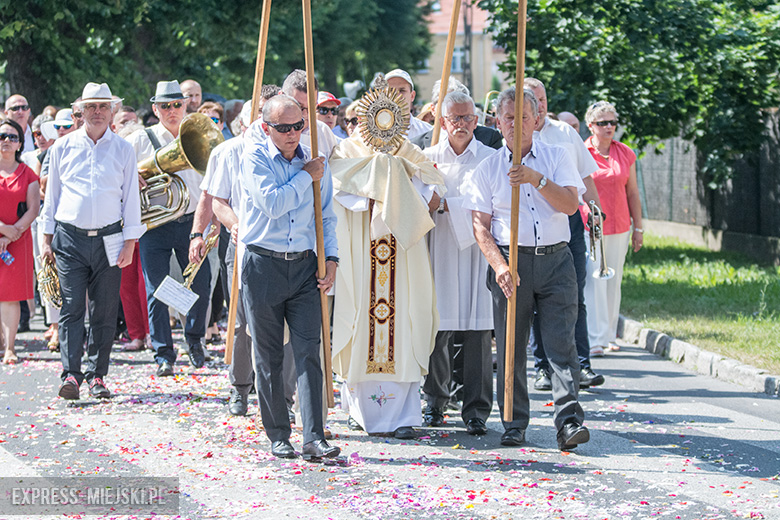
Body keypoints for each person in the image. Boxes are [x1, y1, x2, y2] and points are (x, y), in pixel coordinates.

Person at [464, 87, 590, 451]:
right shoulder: (486, 168)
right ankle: (514, 421)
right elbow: (480, 226)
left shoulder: (557, 156)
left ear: (536, 120)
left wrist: (536, 179)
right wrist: (499, 265)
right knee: (510, 347)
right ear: (497, 122)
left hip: (555, 260)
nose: (515, 124)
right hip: (511, 261)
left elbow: (570, 206)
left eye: (523, 117)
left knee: (560, 345)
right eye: (507, 117)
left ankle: (569, 422)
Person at [330, 85, 445, 440]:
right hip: (362, 252)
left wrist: (399, 177)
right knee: (360, 320)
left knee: (407, 320)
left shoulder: (408, 150)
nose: (383, 126)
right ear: (364, 118)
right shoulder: (347, 149)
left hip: (402, 254)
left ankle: (405, 415)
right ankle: (357, 411)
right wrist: (378, 184)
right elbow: (338, 187)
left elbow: (433, 185)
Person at [240, 94, 340, 460]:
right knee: (268, 355)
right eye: (283, 128)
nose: (292, 134)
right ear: (267, 128)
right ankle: (278, 432)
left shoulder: (312, 160)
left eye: (298, 126)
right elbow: (273, 203)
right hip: (262, 263)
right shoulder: (254, 156)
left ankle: (314, 435)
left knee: (309, 351)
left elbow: (326, 215)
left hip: (302, 264)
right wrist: (305, 177)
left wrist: (331, 258)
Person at [40, 82, 144, 399]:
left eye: (102, 106)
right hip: (69, 238)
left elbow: (131, 201)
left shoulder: (124, 150)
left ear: (112, 109)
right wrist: (45, 241)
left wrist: (129, 242)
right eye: (91, 107)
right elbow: (52, 198)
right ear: (80, 112)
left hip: (110, 238)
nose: (97, 112)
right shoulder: (62, 147)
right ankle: (71, 375)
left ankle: (97, 375)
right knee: (72, 309)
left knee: (105, 310)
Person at [524, 78, 606, 391]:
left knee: (576, 293)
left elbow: (585, 177)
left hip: (569, 221)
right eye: (533, 100)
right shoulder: (518, 136)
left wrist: (595, 213)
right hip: (535, 226)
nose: (540, 106)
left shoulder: (565, 133)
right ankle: (543, 368)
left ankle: (582, 364)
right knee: (536, 301)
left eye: (542, 99)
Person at [127, 80, 212, 376]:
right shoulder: (141, 139)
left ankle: (194, 340)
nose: (172, 110)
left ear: (185, 104)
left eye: (177, 104)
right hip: (155, 225)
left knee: (201, 283)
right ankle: (164, 353)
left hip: (190, 222)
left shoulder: (199, 134)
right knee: (156, 289)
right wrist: (131, 178)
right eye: (165, 106)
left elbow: (211, 186)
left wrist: (204, 228)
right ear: (155, 108)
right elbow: (120, 172)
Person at [421, 92, 495, 435]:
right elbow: (420, 201)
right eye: (454, 119)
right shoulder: (427, 158)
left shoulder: (491, 158)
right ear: (442, 121)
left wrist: (448, 204)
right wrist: (435, 203)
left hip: (480, 251)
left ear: (476, 121)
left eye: (467, 118)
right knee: (440, 327)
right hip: (442, 247)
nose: (461, 125)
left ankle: (476, 408)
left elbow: (492, 203)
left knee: (479, 331)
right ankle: (435, 400)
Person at [583, 100, 644, 356]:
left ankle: (609, 335)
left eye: (612, 122)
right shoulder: (582, 151)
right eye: (602, 123)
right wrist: (587, 215)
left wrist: (638, 228)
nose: (609, 127)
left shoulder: (625, 153)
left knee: (613, 280)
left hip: (620, 224)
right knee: (593, 279)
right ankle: (594, 337)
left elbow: (632, 192)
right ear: (590, 126)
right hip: (592, 224)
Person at [0, 118, 40, 364]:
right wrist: (3, 229)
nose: (6, 141)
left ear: (19, 144)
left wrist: (12, 232)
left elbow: (33, 208)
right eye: (2, 136)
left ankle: (10, 347)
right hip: (7, 232)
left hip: (18, 239)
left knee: (10, 295)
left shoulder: (28, 173)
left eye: (12, 137)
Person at [410, 78, 503, 151]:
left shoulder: (489, 138)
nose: (455, 110)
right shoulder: (418, 146)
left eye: (460, 103)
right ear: (433, 109)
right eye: (446, 104)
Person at [281, 70, 340, 158]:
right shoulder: (264, 130)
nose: (305, 114)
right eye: (299, 107)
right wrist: (307, 171)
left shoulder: (323, 131)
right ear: (281, 97)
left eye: (311, 108)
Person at [384, 69, 432, 139]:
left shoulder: (427, 132)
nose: (397, 96)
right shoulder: (370, 134)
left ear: (412, 96)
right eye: (391, 90)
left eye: (402, 90)